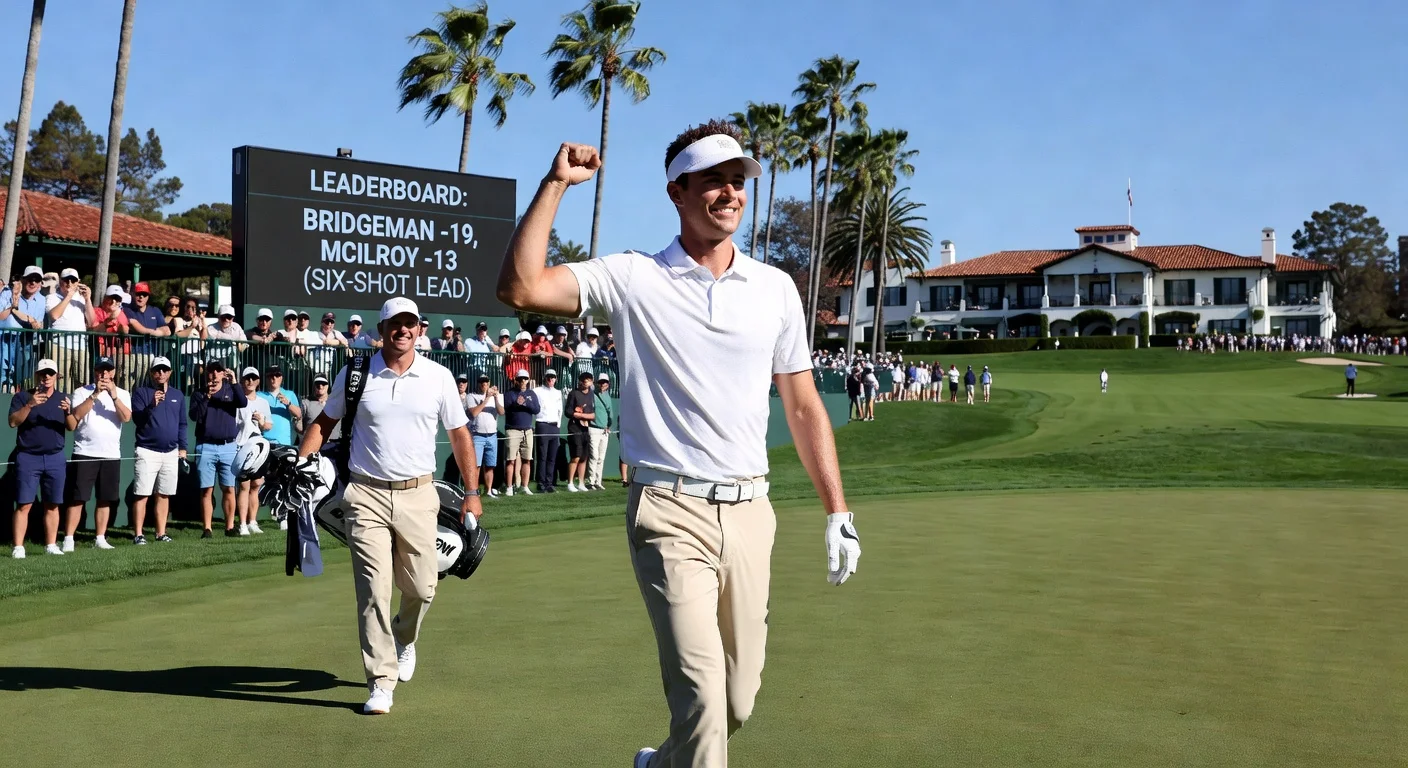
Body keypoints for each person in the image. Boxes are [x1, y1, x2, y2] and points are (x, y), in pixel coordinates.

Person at [497, 129, 858, 767]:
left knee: (735, 705)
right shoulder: (634, 277)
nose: (730, 193)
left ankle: (656, 765)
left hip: (752, 513)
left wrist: (838, 510)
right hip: (668, 510)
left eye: (738, 180)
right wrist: (556, 184)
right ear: (677, 192)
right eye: (713, 180)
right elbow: (521, 288)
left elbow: (803, 405)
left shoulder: (774, 287)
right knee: (701, 699)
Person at [296, 296, 481, 716]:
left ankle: (405, 637)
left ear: (420, 328)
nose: (403, 330)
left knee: (422, 587)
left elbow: (459, 435)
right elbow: (325, 423)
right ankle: (381, 681)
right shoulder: (357, 373)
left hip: (419, 494)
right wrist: (302, 465)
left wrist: (472, 492)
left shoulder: (437, 376)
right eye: (395, 324)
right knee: (373, 590)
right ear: (381, 330)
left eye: (410, 323)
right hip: (365, 495)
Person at [62, 356, 131, 552]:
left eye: (108, 370)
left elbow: (126, 417)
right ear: (95, 372)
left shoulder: (122, 394)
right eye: (100, 370)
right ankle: (68, 539)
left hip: (110, 454)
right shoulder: (81, 391)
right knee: (78, 498)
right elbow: (75, 416)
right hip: (85, 452)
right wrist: (95, 395)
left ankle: (100, 537)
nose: (104, 374)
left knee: (104, 498)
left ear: (113, 373)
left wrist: (114, 396)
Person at [9, 358, 72, 557]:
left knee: (52, 504)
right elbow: (12, 422)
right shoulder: (22, 397)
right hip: (28, 457)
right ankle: (18, 547)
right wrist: (29, 405)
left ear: (56, 376)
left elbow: (71, 426)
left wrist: (69, 412)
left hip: (55, 457)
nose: (46, 377)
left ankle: (51, 545)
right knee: (24, 504)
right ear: (37, 376)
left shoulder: (63, 398)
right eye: (43, 373)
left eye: (50, 373)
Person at [130, 357, 186, 543]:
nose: (161, 373)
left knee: (164, 493)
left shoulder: (177, 394)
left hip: (170, 452)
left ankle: (161, 533)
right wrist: (152, 405)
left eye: (164, 370)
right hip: (147, 450)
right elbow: (137, 420)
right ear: (151, 372)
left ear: (170, 372)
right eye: (157, 370)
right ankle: (138, 534)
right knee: (142, 494)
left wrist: (183, 447)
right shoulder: (141, 393)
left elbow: (182, 424)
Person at [190, 360, 248, 537]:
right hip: (205, 445)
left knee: (229, 488)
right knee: (207, 489)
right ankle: (207, 528)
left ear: (223, 373)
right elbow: (194, 415)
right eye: (211, 371)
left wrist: (235, 382)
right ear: (206, 373)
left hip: (228, 446)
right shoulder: (199, 393)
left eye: (218, 371)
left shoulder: (230, 390)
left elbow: (243, 402)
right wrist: (207, 397)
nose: (214, 374)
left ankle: (229, 527)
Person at [235, 366, 274, 531]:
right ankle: (243, 523)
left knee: (256, 484)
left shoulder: (263, 402)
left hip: (258, 448)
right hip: (241, 445)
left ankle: (253, 522)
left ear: (258, 381)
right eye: (247, 378)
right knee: (244, 485)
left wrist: (261, 422)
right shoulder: (237, 400)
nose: (250, 381)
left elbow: (268, 426)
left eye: (253, 378)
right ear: (243, 380)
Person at [45, 268, 97, 388]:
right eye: (66, 280)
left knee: (82, 380)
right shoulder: (52, 297)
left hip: (81, 346)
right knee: (60, 382)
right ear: (60, 281)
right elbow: (54, 315)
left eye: (73, 281)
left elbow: (92, 321)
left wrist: (88, 299)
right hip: (59, 344)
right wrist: (69, 296)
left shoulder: (81, 299)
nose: (69, 284)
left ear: (78, 282)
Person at [0, 266, 47, 392]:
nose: (33, 282)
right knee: (3, 375)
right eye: (30, 278)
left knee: (21, 378)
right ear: (23, 279)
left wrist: (16, 311)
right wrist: (12, 307)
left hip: (27, 343)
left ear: (40, 283)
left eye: (36, 280)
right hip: (5, 340)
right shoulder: (7, 293)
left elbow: (36, 324)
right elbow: (0, 317)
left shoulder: (42, 300)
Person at [502, 370, 539, 496]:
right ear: (516, 380)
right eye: (520, 379)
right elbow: (506, 406)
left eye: (525, 379)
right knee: (510, 460)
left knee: (527, 459)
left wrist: (525, 403)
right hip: (512, 430)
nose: (523, 381)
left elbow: (536, 409)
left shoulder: (531, 394)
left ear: (528, 380)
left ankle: (524, 486)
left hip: (528, 430)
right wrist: (516, 403)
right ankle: (509, 487)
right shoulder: (509, 393)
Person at [465, 374, 503, 497]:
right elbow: (474, 413)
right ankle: (474, 491)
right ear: (478, 383)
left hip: (492, 435)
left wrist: (496, 398)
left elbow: (501, 412)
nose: (484, 384)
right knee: (476, 465)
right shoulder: (471, 396)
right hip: (477, 435)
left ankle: (488, 491)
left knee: (490, 465)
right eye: (481, 382)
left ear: (489, 383)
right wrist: (486, 399)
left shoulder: (496, 396)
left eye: (486, 382)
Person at [532, 370, 563, 493]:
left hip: (554, 426)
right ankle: (541, 482)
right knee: (542, 456)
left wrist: (558, 425)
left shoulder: (558, 392)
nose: (551, 379)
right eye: (549, 377)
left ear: (556, 379)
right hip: (542, 424)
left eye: (553, 377)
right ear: (545, 378)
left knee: (552, 457)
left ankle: (549, 483)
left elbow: (560, 410)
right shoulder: (537, 391)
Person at [563, 371, 595, 493]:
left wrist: (586, 416)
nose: (585, 382)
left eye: (588, 380)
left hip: (586, 429)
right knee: (575, 456)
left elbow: (593, 414)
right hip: (574, 429)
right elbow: (568, 412)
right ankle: (570, 483)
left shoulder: (592, 394)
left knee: (584, 457)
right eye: (583, 380)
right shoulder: (573, 393)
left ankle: (581, 483)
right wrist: (577, 414)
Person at [257, 365, 301, 446]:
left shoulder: (290, 394)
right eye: (271, 375)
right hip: (263, 442)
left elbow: (299, 414)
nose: (274, 378)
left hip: (284, 442)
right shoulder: (258, 395)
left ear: (281, 378)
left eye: (277, 375)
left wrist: (288, 404)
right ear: (266, 378)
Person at [585, 371, 615, 490]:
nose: (603, 384)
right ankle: (590, 481)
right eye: (601, 382)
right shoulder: (592, 394)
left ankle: (598, 481)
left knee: (601, 457)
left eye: (605, 382)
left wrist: (609, 426)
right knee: (594, 455)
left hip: (604, 430)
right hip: (593, 428)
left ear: (608, 384)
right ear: (597, 383)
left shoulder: (608, 396)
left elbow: (610, 414)